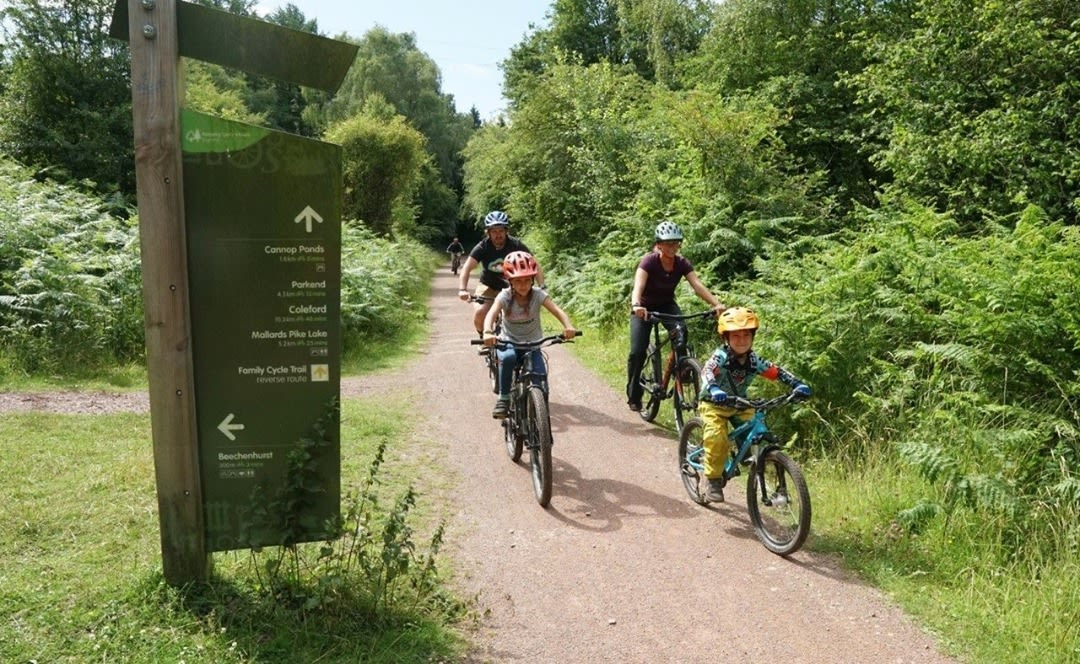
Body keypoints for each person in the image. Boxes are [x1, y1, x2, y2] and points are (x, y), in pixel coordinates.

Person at [698, 307, 811, 502]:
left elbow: (776, 372)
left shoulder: (753, 360)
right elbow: (707, 371)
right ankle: (712, 479)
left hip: (740, 404)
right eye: (736, 336)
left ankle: (776, 483)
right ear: (726, 338)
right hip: (713, 403)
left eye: (746, 335)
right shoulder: (721, 357)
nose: (741, 340)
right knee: (717, 438)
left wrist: (797, 384)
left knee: (761, 437)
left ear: (752, 337)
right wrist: (715, 389)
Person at [626, 220, 724, 412]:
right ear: (659, 244)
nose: (673, 247)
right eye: (668, 243)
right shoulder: (649, 261)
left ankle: (681, 368)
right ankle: (634, 395)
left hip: (666, 304)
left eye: (676, 243)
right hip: (644, 308)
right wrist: (636, 304)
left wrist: (716, 304)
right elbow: (638, 286)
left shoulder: (681, 263)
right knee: (637, 351)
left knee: (681, 332)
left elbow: (697, 285)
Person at [482, 251, 576, 419]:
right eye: (518, 281)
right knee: (509, 358)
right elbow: (491, 313)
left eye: (527, 280)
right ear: (510, 281)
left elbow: (557, 311)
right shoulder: (505, 296)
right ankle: (503, 399)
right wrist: (488, 331)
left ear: (532, 279)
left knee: (540, 377)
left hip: (533, 344)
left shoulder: (538, 295)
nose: (523, 285)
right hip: (509, 342)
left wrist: (568, 326)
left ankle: (540, 418)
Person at [458, 211, 544, 336]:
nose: (498, 235)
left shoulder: (515, 244)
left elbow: (534, 264)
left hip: (510, 287)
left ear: (506, 231)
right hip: (488, 285)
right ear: (488, 232)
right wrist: (462, 289)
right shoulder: (483, 247)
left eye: (501, 231)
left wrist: (542, 286)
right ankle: (483, 336)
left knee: (515, 315)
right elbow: (466, 268)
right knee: (480, 313)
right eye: (494, 231)